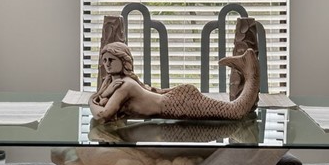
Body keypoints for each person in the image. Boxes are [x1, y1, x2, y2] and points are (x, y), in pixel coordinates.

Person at [88, 41, 260, 121]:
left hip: (177, 103)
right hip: (172, 101)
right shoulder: (114, 83)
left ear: (124, 60)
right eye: (105, 60)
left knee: (235, 112)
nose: (107, 64)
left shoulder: (125, 86)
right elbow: (103, 103)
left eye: (112, 60)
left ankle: (250, 68)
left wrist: (91, 100)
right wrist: (103, 95)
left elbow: (103, 115)